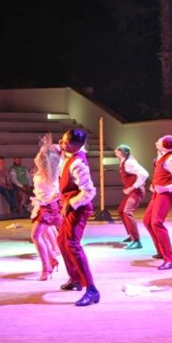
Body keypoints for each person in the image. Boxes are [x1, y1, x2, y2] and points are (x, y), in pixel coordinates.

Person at [56, 129, 98, 307]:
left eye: (64, 142)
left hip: (78, 208)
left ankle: (92, 289)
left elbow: (89, 192)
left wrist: (71, 203)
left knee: (72, 244)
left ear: (74, 146)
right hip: (70, 206)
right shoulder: (69, 155)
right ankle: (75, 278)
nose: (60, 143)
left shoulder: (78, 163)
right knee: (61, 241)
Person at [142, 135, 172, 270]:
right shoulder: (161, 154)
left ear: (165, 146)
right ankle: (161, 251)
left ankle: (170, 259)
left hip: (166, 194)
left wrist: (166, 188)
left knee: (157, 222)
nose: (156, 143)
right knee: (147, 221)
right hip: (158, 192)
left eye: (159, 142)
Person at [29, 139, 62, 280]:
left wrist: (46, 201)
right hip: (42, 206)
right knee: (41, 235)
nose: (36, 159)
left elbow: (57, 194)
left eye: (39, 158)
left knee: (36, 236)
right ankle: (52, 261)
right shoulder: (43, 172)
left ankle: (47, 268)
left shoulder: (51, 175)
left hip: (47, 207)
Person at [115, 144, 148, 250]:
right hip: (132, 191)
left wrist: (132, 187)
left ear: (124, 152)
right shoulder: (123, 161)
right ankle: (131, 235)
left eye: (118, 150)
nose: (116, 151)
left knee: (127, 212)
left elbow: (144, 174)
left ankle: (137, 241)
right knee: (121, 211)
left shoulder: (129, 162)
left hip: (137, 191)